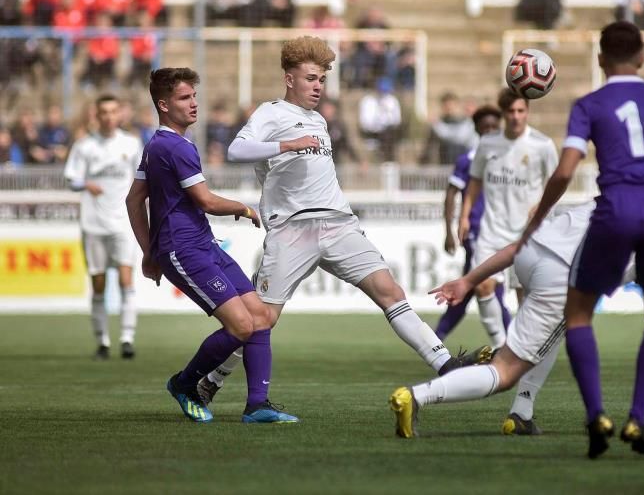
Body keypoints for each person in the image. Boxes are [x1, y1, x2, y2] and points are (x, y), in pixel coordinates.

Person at [195, 36, 489, 404]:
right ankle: (212, 379)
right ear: (289, 79)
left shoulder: (318, 119)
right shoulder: (271, 113)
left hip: (338, 224)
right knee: (261, 319)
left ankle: (446, 366)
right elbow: (236, 149)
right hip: (292, 228)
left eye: (321, 79)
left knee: (391, 292)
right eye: (310, 78)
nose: (318, 86)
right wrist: (285, 145)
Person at [515, 21, 644, 458]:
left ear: (600, 59)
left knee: (579, 313)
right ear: (642, 57)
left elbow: (565, 171)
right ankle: (638, 419)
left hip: (616, 208)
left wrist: (540, 214)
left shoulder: (590, 104)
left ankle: (596, 415)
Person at [390, 202, 644, 443]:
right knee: (505, 371)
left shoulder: (610, 199)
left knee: (554, 332)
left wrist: (469, 280)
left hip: (528, 255)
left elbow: (517, 248)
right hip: (559, 275)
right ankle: (416, 396)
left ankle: (521, 413)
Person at [125, 67, 300, 424]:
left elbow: (133, 200)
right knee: (241, 326)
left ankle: (257, 405)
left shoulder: (160, 145)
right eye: (184, 98)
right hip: (184, 249)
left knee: (260, 317)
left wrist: (148, 251)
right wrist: (245, 208)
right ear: (163, 104)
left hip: (202, 245)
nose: (194, 104)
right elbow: (205, 201)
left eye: (194, 97)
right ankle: (184, 384)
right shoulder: (172, 147)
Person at [458, 88, 558, 350]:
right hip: (492, 232)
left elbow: (557, 184)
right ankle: (501, 348)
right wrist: (464, 216)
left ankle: (524, 350)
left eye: (520, 111)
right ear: (503, 114)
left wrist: (542, 206)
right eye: (511, 112)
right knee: (482, 286)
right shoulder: (488, 144)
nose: (516, 117)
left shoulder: (542, 145)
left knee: (525, 297)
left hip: (527, 234)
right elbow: (475, 181)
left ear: (527, 111)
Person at [64, 94, 142, 360]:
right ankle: (103, 342)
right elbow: (71, 178)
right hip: (93, 222)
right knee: (98, 283)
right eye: (103, 112)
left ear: (120, 114)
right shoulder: (85, 146)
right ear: (96, 116)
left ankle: (127, 339)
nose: (109, 116)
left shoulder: (131, 144)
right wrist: (86, 184)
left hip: (122, 222)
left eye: (113, 111)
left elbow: (143, 179)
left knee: (125, 278)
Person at [435, 105, 512, 340]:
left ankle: (434, 339)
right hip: (477, 231)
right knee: (489, 287)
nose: (489, 131)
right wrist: (449, 230)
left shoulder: (507, 157)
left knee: (470, 288)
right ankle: (512, 345)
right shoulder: (468, 159)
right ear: (476, 129)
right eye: (484, 127)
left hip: (502, 232)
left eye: (493, 126)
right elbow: (451, 194)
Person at [418, 93, 477, 165]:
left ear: (456, 105)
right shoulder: (439, 122)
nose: (449, 108)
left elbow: (456, 137)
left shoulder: (464, 122)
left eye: (451, 105)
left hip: (462, 165)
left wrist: (436, 124)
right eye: (446, 106)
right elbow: (429, 146)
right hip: (444, 163)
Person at [358, 76, 402, 163]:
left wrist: (386, 121)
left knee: (388, 137)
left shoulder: (392, 101)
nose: (383, 94)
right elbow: (364, 123)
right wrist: (377, 125)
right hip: (372, 133)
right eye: (381, 91)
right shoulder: (367, 101)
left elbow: (397, 120)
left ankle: (389, 162)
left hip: (388, 133)